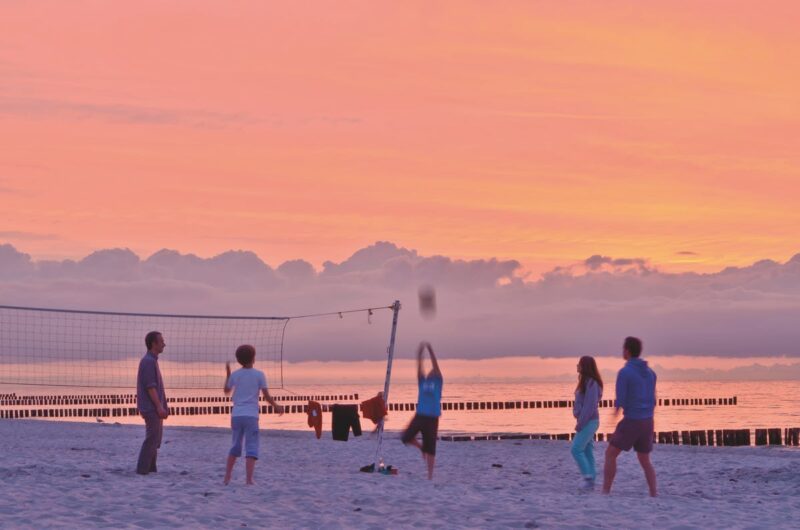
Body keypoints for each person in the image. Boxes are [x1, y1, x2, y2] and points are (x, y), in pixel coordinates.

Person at [602, 336, 658, 497]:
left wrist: (613, 417)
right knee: (645, 460)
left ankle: (606, 490)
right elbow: (653, 399)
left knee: (610, 453)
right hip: (648, 421)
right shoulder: (651, 373)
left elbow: (620, 400)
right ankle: (654, 493)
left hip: (633, 419)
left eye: (623, 349)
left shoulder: (625, 372)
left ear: (627, 351)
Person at [223, 344, 283, 485]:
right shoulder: (259, 374)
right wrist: (276, 406)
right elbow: (267, 396)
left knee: (235, 445)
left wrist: (228, 373)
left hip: (237, 415)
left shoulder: (235, 375)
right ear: (253, 358)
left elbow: (226, 391)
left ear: (238, 360)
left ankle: (227, 477)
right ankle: (249, 479)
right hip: (251, 416)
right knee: (251, 446)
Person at [401, 341, 443, 480]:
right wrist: (419, 355)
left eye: (433, 371)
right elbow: (419, 368)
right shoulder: (423, 382)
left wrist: (430, 351)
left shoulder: (438, 381)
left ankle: (430, 475)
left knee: (431, 448)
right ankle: (421, 448)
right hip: (420, 415)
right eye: (430, 371)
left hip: (432, 417)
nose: (431, 372)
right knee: (406, 437)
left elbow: (436, 366)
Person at [136, 331, 168, 475]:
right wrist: (159, 406)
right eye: (161, 341)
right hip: (150, 408)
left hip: (152, 407)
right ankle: (142, 470)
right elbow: (150, 387)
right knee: (152, 439)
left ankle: (151, 469)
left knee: (155, 440)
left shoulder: (152, 360)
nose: (164, 344)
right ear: (153, 344)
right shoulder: (148, 361)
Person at [571, 356, 603, 490]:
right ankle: (591, 479)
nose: (577, 366)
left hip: (590, 421)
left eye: (579, 364)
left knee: (576, 449)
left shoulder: (592, 383)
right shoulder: (585, 382)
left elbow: (589, 407)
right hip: (586, 420)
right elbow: (582, 404)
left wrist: (581, 423)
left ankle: (587, 477)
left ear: (585, 366)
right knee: (587, 450)